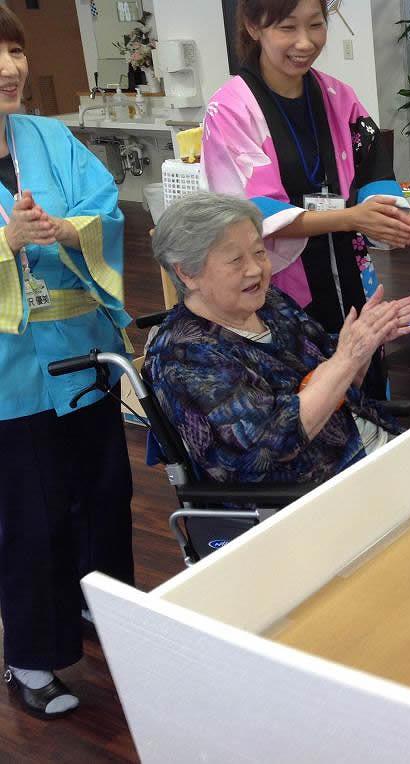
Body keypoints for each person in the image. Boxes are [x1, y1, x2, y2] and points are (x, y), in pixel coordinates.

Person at [0, 6, 133, 719]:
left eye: (15, 50)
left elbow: (106, 209)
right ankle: (31, 657)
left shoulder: (49, 137)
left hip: (83, 355)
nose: (10, 67)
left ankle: (101, 603)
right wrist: (8, 243)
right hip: (11, 378)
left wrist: (67, 229)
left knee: (102, 493)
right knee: (31, 516)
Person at [202, 0, 410, 400]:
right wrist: (353, 217)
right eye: (287, 28)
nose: (305, 42)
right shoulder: (231, 108)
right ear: (253, 27)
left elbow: (373, 168)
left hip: (350, 273)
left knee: (367, 380)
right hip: (280, 287)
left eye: (316, 25)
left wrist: (387, 216)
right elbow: (250, 213)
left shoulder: (338, 95)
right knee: (305, 396)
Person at [145, 193, 410, 485]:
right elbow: (269, 447)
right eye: (236, 260)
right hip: (319, 491)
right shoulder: (183, 356)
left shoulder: (271, 303)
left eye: (259, 252)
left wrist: (367, 340)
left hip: (374, 450)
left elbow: (343, 381)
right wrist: (348, 357)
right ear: (187, 273)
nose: (255, 269)